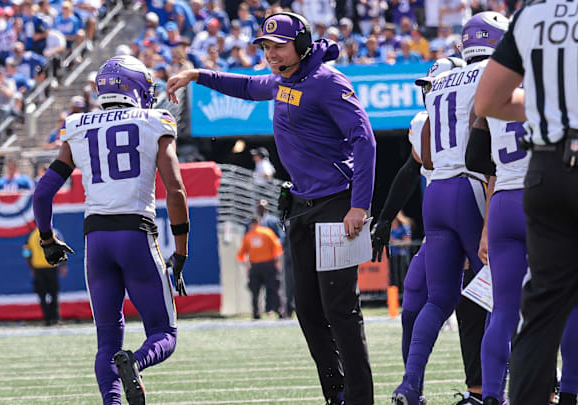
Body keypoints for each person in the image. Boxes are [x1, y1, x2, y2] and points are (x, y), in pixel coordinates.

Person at [167, 12, 376, 405]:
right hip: (300, 207)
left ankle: (361, 399)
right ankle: (337, 396)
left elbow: (365, 141)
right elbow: (247, 86)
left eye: (278, 46)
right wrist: (197, 74)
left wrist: (359, 205)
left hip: (336, 204)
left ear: (301, 44)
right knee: (308, 310)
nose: (270, 54)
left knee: (341, 311)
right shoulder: (285, 80)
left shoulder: (327, 83)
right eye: (265, 47)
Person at [32, 54, 189, 405]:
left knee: (107, 342)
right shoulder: (153, 120)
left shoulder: (78, 125)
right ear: (135, 88)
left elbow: (43, 193)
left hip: (96, 239)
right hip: (136, 233)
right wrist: (181, 249)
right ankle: (134, 362)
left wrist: (47, 238)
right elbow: (175, 189)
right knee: (164, 333)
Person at [391, 13, 509, 405]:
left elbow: (423, 153)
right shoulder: (493, 73)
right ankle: (493, 392)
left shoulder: (439, 81)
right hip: (472, 187)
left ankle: (410, 386)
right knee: (497, 294)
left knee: (439, 298)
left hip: (436, 190)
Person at [474, 1, 578, 403]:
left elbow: (487, 102)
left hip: (546, 168)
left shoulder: (534, 15)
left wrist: (548, 109)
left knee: (541, 308)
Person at [237, 217, 283, 319]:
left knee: (255, 292)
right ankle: (279, 311)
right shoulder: (268, 233)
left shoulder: (248, 236)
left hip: (256, 266)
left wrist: (246, 265)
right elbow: (277, 248)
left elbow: (241, 255)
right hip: (268, 265)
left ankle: (256, 313)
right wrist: (277, 261)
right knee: (273, 289)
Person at [24, 227, 68, 326]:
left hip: (38, 268)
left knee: (42, 295)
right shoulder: (54, 233)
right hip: (51, 266)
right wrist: (64, 265)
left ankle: (47, 319)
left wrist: (31, 267)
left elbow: (26, 253)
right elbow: (62, 248)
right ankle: (55, 318)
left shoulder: (31, 235)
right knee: (54, 293)